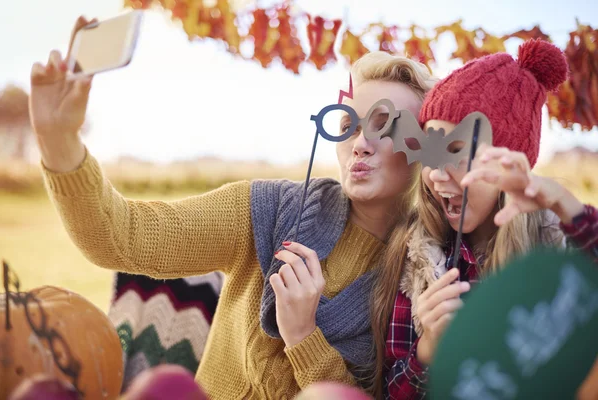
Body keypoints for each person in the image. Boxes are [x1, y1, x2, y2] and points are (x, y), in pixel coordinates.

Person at [29, 16, 437, 399]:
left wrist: (303, 336)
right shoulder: (269, 208)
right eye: (348, 122)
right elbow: (122, 237)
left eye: (385, 125)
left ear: (423, 148)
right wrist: (58, 139)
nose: (360, 142)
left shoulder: (420, 277)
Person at [368, 38, 598, 399]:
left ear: (509, 161)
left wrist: (566, 204)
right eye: (431, 149)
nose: (438, 173)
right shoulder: (418, 261)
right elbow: (392, 391)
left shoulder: (560, 248)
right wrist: (427, 350)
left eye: (458, 151)